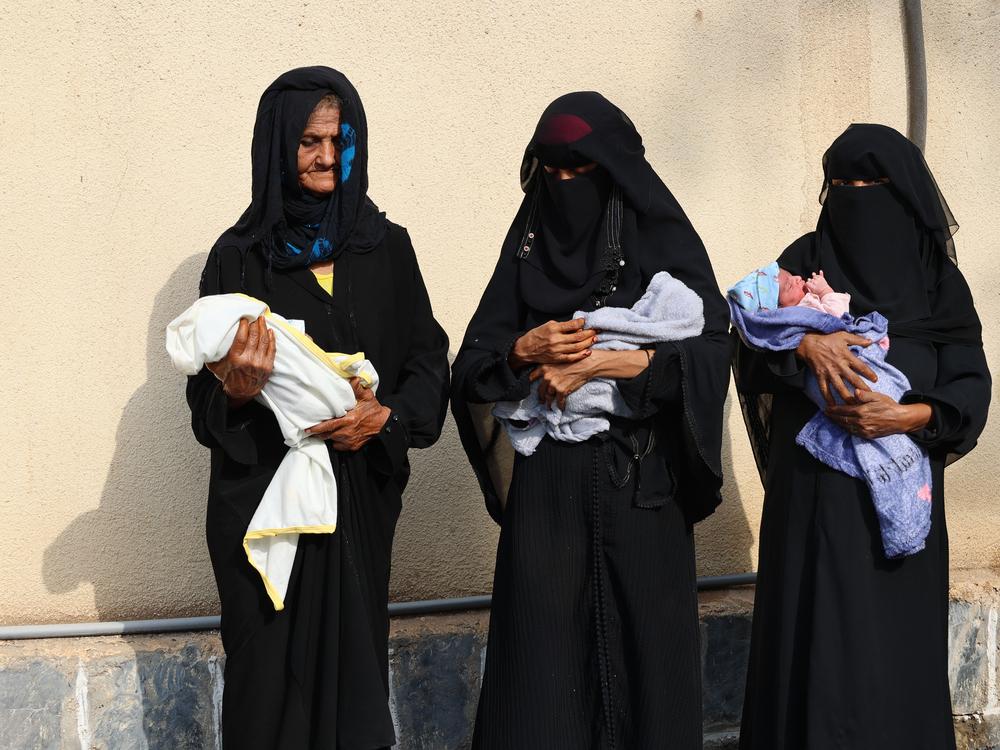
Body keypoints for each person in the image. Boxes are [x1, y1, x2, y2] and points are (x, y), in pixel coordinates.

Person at [451, 92, 731, 749]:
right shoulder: (527, 247)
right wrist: (528, 349)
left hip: (642, 490)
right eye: (555, 172)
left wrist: (601, 365)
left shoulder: (658, 237)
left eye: (583, 171)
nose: (567, 186)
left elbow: (710, 347)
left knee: (647, 679)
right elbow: (471, 371)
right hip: (547, 502)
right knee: (542, 687)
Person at [185, 66, 449, 749]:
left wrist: (387, 417)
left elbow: (427, 363)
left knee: (350, 692)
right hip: (262, 512)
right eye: (308, 141)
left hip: (358, 502)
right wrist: (235, 392)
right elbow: (202, 404)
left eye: (339, 139)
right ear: (278, 146)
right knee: (266, 687)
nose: (327, 156)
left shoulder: (387, 248)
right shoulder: (239, 258)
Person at [735, 123, 991, 749]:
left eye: (869, 184)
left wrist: (906, 417)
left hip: (899, 509)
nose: (854, 197)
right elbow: (744, 340)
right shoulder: (804, 260)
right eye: (840, 185)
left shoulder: (937, 283)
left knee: (890, 654)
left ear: (901, 194)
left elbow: (969, 385)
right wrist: (806, 343)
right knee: (810, 642)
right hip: (812, 503)